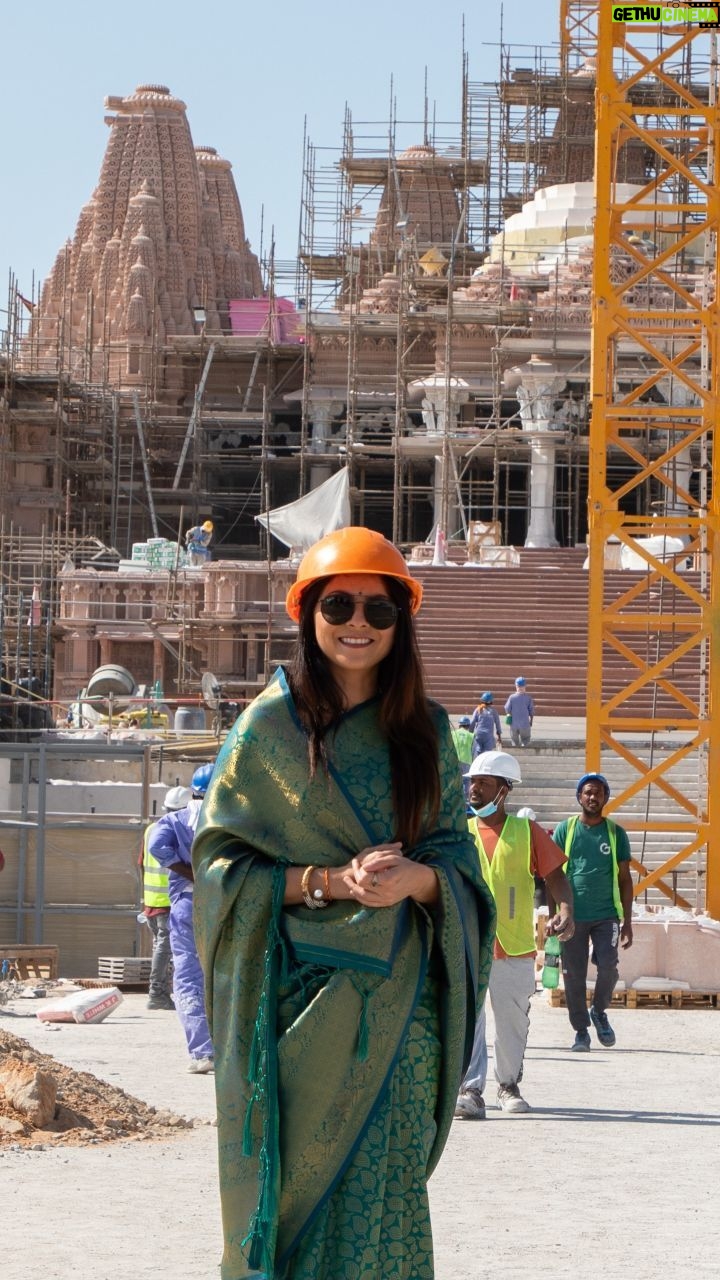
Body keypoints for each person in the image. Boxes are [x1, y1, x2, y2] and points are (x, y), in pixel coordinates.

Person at [192, 526, 496, 1280]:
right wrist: (330, 882)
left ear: (402, 622)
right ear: (308, 615)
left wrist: (416, 882)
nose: (358, 624)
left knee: (381, 1196)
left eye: (379, 610)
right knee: (295, 1195)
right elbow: (221, 869)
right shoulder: (267, 729)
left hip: (398, 1015)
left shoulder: (425, 731)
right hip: (294, 1009)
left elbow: (455, 857)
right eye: (339, 606)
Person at [455, 749, 574, 1119]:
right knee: (469, 1019)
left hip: (514, 946)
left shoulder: (527, 831)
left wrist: (566, 910)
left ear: (503, 790)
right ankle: (471, 1090)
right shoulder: (460, 831)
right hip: (470, 942)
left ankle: (507, 1085)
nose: (474, 789)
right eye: (472, 781)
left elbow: (555, 875)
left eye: (484, 783)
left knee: (512, 1022)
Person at [551, 772, 633, 1051]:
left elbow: (625, 879)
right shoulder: (565, 830)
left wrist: (628, 922)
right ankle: (581, 1032)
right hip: (572, 916)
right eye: (587, 792)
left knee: (608, 967)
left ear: (606, 798)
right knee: (573, 974)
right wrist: (556, 915)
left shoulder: (616, 834)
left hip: (606, 914)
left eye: (598, 792)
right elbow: (553, 875)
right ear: (579, 797)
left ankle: (599, 1011)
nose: (592, 797)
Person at [148, 763, 215, 1072]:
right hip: (224, 904)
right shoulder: (231, 821)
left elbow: (156, 846)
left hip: (188, 904)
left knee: (188, 976)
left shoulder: (176, 821)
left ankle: (203, 1052)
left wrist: (189, 872)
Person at [141, 786, 190, 1011]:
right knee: (165, 948)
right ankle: (156, 993)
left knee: (161, 947)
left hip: (151, 900)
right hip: (168, 901)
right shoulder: (179, 830)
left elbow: (139, 861)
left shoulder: (151, 829)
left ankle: (162, 992)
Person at [504, 676, 534, 748]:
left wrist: (509, 714)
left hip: (514, 724)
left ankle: (515, 755)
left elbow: (507, 709)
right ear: (525, 686)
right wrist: (531, 721)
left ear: (516, 686)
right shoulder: (528, 698)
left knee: (514, 740)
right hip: (525, 724)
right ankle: (524, 752)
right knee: (526, 739)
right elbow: (531, 711)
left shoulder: (512, 697)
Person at [470, 691, 502, 756]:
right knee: (487, 754)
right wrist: (499, 736)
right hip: (488, 735)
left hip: (478, 734)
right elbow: (498, 724)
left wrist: (470, 734)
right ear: (491, 702)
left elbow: (472, 722)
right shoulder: (494, 711)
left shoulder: (478, 709)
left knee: (478, 752)